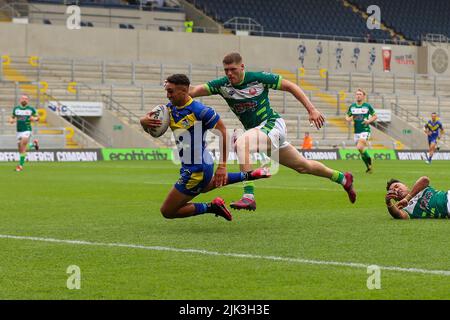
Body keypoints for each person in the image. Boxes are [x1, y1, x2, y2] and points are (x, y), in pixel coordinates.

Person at [188, 52, 356, 211]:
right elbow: (193, 91)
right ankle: (343, 178)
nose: (229, 73)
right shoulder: (222, 85)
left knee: (242, 143)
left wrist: (311, 110)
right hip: (260, 134)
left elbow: (290, 86)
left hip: (272, 125)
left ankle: (249, 195)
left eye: (233, 69)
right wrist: (175, 87)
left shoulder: (258, 78)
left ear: (242, 67)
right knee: (303, 166)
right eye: (226, 70)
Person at [140, 74, 270, 221]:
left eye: (171, 91)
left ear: (183, 91)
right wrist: (143, 121)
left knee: (168, 211)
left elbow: (224, 134)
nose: (167, 95)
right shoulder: (169, 110)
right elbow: (153, 129)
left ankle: (211, 207)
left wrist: (222, 166)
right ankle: (249, 175)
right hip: (199, 163)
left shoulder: (200, 111)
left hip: (196, 168)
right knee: (206, 186)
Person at [385, 176, 449, 219]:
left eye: (397, 186)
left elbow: (425, 179)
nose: (396, 190)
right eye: (393, 191)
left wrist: (407, 199)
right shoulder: (407, 209)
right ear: (395, 199)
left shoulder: (418, 188)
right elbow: (399, 216)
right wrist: (389, 203)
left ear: (405, 186)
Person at [345, 88, 377, 173]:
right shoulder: (352, 107)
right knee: (360, 150)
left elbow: (375, 116)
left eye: (360, 94)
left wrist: (368, 121)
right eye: (357, 94)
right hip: (356, 132)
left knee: (359, 147)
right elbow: (347, 116)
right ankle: (368, 166)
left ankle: (369, 158)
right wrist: (349, 119)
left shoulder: (367, 106)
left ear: (363, 96)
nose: (358, 96)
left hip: (365, 130)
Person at [9, 95, 40, 172]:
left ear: (28, 101)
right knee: (21, 150)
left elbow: (38, 118)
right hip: (18, 131)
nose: (24, 100)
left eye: (26, 99)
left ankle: (20, 166)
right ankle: (33, 145)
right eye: (23, 98)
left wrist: (34, 119)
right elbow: (12, 117)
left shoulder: (31, 109)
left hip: (27, 130)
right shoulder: (16, 109)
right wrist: (11, 120)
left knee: (23, 145)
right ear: (20, 100)